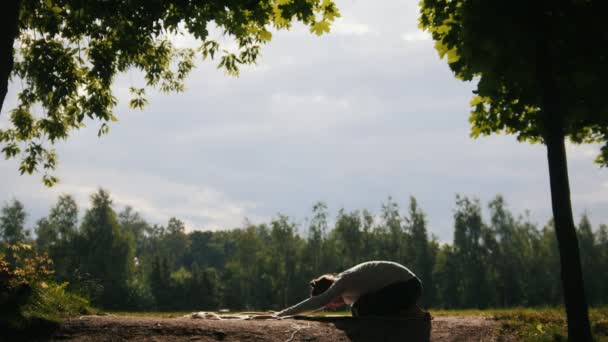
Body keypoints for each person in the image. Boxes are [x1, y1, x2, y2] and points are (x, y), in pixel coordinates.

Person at [277, 261, 424, 317]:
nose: (332, 307)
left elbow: (317, 302)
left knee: (362, 309)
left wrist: (282, 314)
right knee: (360, 309)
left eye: (330, 304)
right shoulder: (350, 289)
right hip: (406, 288)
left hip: (408, 287)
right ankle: (407, 308)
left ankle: (408, 311)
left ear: (330, 293)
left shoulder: (344, 281)